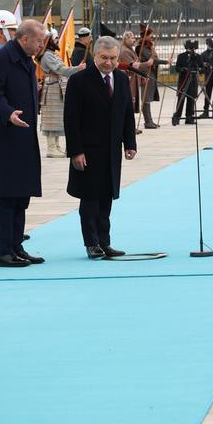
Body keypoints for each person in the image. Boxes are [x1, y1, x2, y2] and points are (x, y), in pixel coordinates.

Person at [0, 17, 46, 268]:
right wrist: (8, 114)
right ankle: (4, 252)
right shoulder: (1, 58)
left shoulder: (26, 60)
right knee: (6, 196)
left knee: (21, 195)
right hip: (5, 139)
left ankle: (16, 246)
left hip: (23, 137)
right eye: (39, 41)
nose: (42, 45)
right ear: (24, 39)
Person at [64, 34, 137, 258]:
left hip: (111, 150)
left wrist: (130, 143)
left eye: (113, 58)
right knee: (90, 198)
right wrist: (76, 151)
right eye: (104, 57)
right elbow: (71, 120)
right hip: (88, 151)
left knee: (106, 197)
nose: (109, 62)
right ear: (95, 55)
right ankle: (92, 243)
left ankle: (105, 242)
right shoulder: (79, 81)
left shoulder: (121, 79)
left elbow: (127, 113)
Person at [39, 28, 80, 158]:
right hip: (52, 87)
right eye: (55, 38)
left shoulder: (51, 54)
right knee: (52, 117)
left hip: (56, 87)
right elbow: (60, 70)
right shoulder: (47, 55)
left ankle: (56, 146)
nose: (57, 41)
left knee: (56, 117)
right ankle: (51, 147)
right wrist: (77, 69)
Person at [172, 39, 201, 125]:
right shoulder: (181, 56)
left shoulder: (198, 56)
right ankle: (177, 117)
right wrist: (183, 69)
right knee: (181, 99)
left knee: (191, 99)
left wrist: (198, 69)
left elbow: (202, 68)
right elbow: (177, 68)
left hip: (193, 81)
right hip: (183, 81)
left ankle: (189, 117)